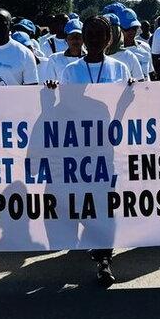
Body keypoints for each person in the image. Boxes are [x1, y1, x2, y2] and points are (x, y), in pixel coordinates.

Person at [48, 16, 133, 285]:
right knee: (85, 199)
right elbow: (64, 107)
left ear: (109, 39)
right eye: (90, 34)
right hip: (79, 149)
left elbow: (129, 107)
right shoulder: (71, 71)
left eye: (100, 34)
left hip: (108, 147)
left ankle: (104, 256)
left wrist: (132, 93)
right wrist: (52, 92)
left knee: (105, 199)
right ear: (83, 38)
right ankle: (95, 242)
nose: (95, 39)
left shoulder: (121, 68)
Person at [102, 12, 146, 82]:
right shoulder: (92, 58)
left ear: (118, 33)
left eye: (111, 32)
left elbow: (140, 82)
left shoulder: (129, 56)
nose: (106, 36)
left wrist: (133, 83)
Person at [40, 18, 85, 83]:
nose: (75, 40)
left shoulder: (91, 59)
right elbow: (49, 81)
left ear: (84, 38)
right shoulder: (54, 59)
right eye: (72, 36)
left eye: (78, 36)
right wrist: (52, 85)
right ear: (66, 38)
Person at [120, 9, 153, 80]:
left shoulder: (145, 47)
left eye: (134, 28)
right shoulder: (114, 53)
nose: (131, 32)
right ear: (119, 29)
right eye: (127, 29)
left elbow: (149, 73)